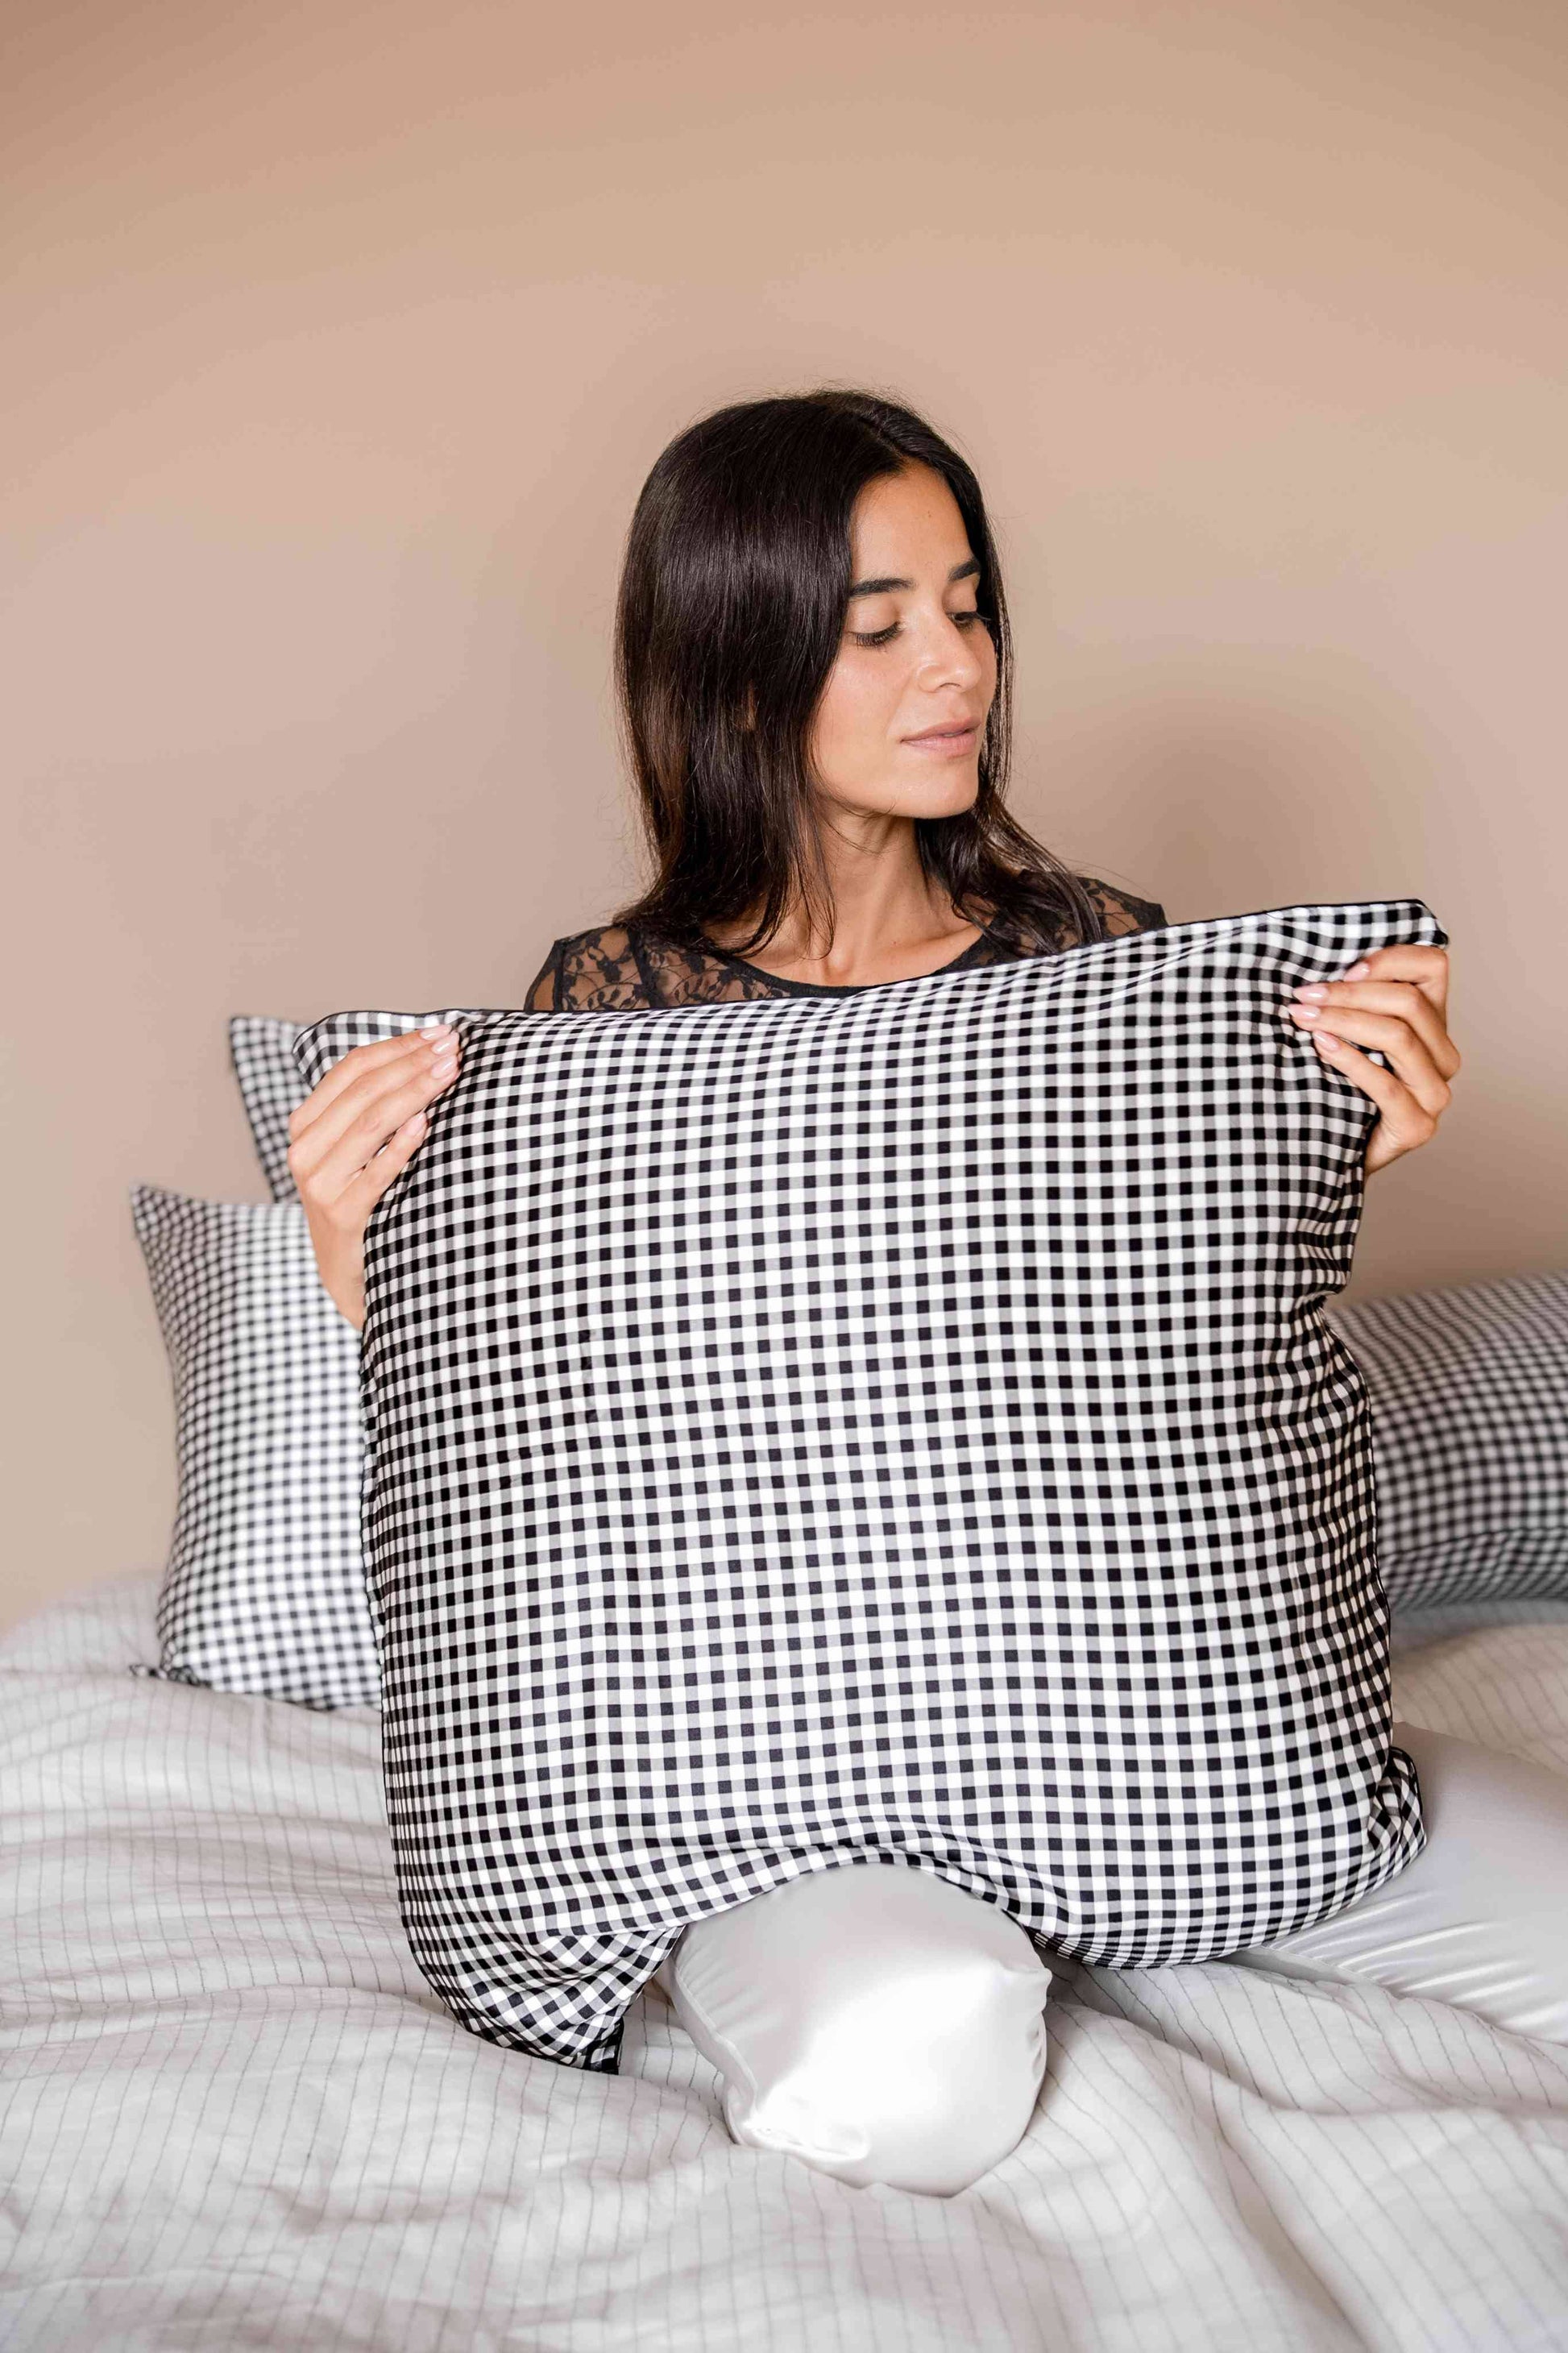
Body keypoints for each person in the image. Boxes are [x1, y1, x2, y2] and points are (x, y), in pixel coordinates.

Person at [285, 390, 1567, 2196]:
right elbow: (567, 1454)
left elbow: (1161, 1378)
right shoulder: (606, 1010)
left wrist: (1350, 1145)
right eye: (878, 629)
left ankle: (1133, 1866)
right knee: (913, 2065)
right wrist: (362, 1264)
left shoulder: (1108, 964)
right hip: (794, 1772)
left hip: (1134, 1700)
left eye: (967, 607)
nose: (959, 666)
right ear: (738, 677)